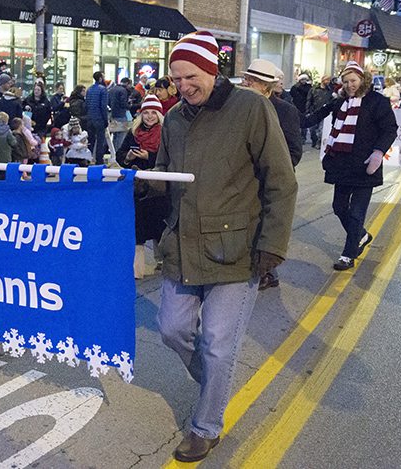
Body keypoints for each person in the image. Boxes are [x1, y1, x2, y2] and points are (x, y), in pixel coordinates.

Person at [154, 31, 298, 463]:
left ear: (212, 70)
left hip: (237, 249)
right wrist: (143, 183)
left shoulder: (251, 108)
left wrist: (272, 246)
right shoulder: (174, 118)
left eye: (190, 76)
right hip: (184, 245)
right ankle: (215, 384)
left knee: (218, 342)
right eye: (176, 78)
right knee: (171, 329)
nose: (183, 86)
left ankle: (206, 426)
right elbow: (165, 171)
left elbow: (282, 180)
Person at [301, 61, 397, 271]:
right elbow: (314, 117)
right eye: (345, 81)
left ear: (362, 79)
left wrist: (378, 152)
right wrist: (287, 115)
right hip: (343, 165)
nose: (349, 85)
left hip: (364, 166)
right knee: (339, 207)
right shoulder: (340, 102)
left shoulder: (377, 102)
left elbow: (390, 129)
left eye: (353, 80)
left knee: (356, 212)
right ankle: (361, 236)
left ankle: (348, 253)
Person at [241, 59, 303, 291]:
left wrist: (276, 171)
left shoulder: (285, 111)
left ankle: (266, 272)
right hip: (243, 182)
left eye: (253, 81)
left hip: (269, 181)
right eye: (247, 79)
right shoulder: (239, 107)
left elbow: (294, 150)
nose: (247, 83)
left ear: (267, 86)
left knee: (264, 226)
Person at [116, 94, 169, 279]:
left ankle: (163, 261)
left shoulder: (165, 132)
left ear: (159, 114)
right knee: (137, 228)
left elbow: (169, 159)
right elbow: (120, 155)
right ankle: (136, 269)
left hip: (157, 188)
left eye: (153, 113)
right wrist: (128, 158)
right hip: (136, 187)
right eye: (146, 113)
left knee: (159, 225)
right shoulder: (134, 132)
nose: (149, 116)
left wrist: (149, 157)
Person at [85, 71, 109, 165]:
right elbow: (103, 106)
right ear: (100, 78)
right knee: (100, 140)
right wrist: (105, 120)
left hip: (90, 118)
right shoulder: (103, 89)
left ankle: (88, 158)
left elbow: (86, 104)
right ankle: (99, 160)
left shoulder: (89, 89)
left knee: (91, 140)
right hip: (99, 118)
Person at [305, 75, 334, 148]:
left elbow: (331, 101)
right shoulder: (314, 89)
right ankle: (314, 140)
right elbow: (309, 100)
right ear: (322, 80)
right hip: (314, 111)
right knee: (312, 129)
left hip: (324, 113)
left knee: (321, 130)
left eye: (329, 81)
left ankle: (319, 142)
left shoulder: (329, 91)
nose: (328, 82)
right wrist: (307, 111)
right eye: (326, 80)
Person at [108, 77, 133, 153]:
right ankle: (119, 153)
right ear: (127, 83)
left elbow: (108, 102)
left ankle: (114, 153)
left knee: (115, 135)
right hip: (121, 114)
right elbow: (123, 104)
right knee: (121, 135)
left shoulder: (112, 89)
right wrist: (130, 106)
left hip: (113, 115)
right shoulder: (123, 90)